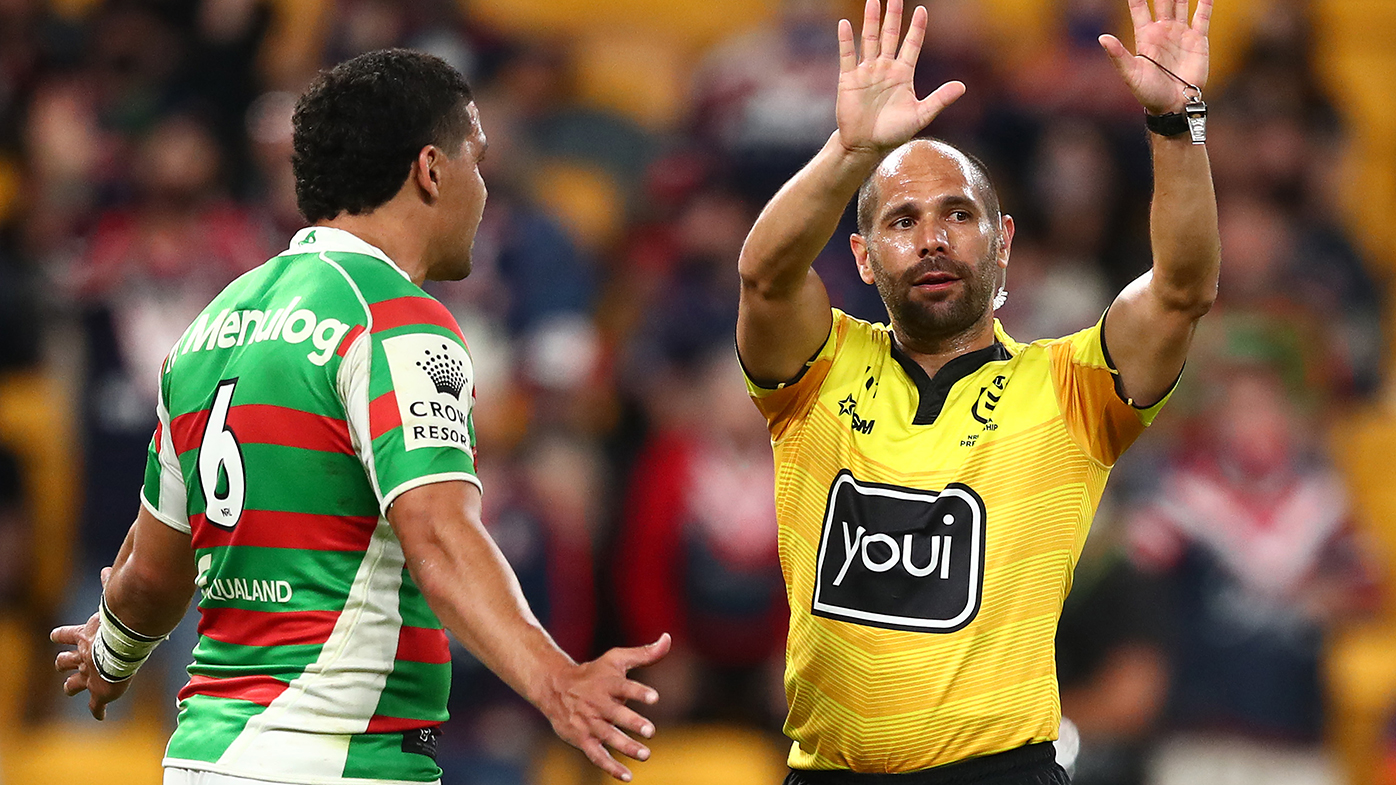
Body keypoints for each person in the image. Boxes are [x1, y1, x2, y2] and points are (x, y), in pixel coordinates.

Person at [50, 49, 669, 785]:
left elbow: (151, 568)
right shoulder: (396, 321)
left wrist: (111, 653)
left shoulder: (208, 326)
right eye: (477, 159)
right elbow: (438, 532)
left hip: (202, 760)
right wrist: (556, 679)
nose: (485, 186)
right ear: (431, 170)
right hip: (338, 759)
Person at [734, 0, 1219, 781]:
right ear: (861, 257)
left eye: (959, 214)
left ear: (1005, 243)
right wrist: (850, 151)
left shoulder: (1070, 387)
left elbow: (1182, 291)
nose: (931, 237)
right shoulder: (816, 368)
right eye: (902, 221)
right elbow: (763, 276)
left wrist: (1177, 123)